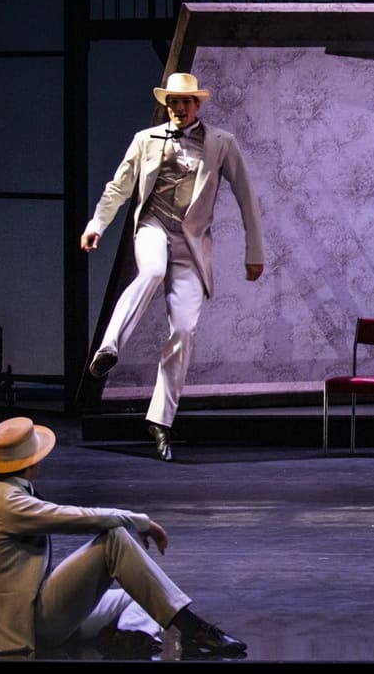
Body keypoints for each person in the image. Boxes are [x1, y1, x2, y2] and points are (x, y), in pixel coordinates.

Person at [0, 417, 245, 658]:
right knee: (115, 539)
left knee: (137, 593)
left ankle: (133, 635)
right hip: (30, 626)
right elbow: (79, 518)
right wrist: (141, 521)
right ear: (33, 461)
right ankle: (193, 629)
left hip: (37, 613)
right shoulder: (10, 504)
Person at [80, 72, 263, 462]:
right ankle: (109, 347)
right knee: (151, 271)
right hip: (153, 227)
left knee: (183, 330)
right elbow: (118, 188)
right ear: (167, 105)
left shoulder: (221, 143)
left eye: (185, 102)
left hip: (191, 243)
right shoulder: (145, 140)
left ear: (197, 105)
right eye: (173, 102)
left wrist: (254, 252)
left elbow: (246, 196)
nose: (179, 108)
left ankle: (160, 421)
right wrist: (96, 225)